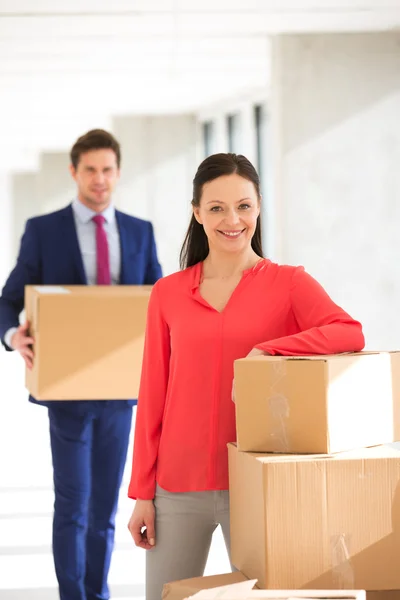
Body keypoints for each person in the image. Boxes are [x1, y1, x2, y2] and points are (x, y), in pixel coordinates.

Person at [127, 152, 364, 600]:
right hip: (176, 488)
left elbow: (348, 331)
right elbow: (152, 394)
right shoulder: (168, 293)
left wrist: (271, 347)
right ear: (197, 213)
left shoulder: (289, 283)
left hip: (256, 483)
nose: (232, 219)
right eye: (216, 208)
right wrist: (143, 492)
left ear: (258, 208)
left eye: (243, 206)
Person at [0, 129, 162, 600]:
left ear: (118, 172)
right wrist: (16, 336)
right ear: (74, 172)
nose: (99, 179)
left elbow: (160, 301)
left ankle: (99, 592)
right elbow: (7, 301)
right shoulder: (43, 230)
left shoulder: (139, 231)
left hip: (120, 391)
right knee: (72, 502)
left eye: (107, 169)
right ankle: (73, 596)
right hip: (67, 389)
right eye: (90, 169)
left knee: (105, 507)